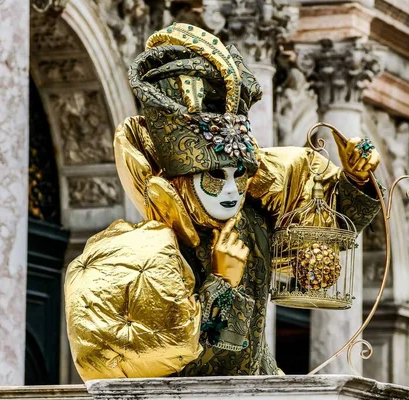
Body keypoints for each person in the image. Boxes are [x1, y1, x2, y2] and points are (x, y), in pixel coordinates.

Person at [65, 23, 381, 380]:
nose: (232, 191)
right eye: (216, 176)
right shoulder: (156, 251)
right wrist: (222, 279)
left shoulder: (254, 220)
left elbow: (327, 229)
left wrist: (357, 180)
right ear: (181, 180)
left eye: (240, 175)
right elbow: (184, 353)